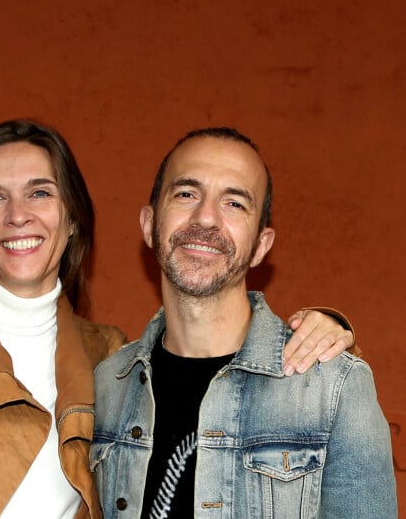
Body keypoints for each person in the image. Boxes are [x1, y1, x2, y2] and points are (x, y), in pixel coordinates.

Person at [0, 120, 353, 518]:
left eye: (40, 192)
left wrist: (321, 327)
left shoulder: (112, 356)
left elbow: (209, 342)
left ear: (73, 219)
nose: (17, 215)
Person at [92, 128, 397, 518]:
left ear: (261, 246)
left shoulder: (334, 388)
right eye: (186, 194)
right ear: (149, 224)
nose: (206, 217)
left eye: (234, 203)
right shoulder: (106, 385)